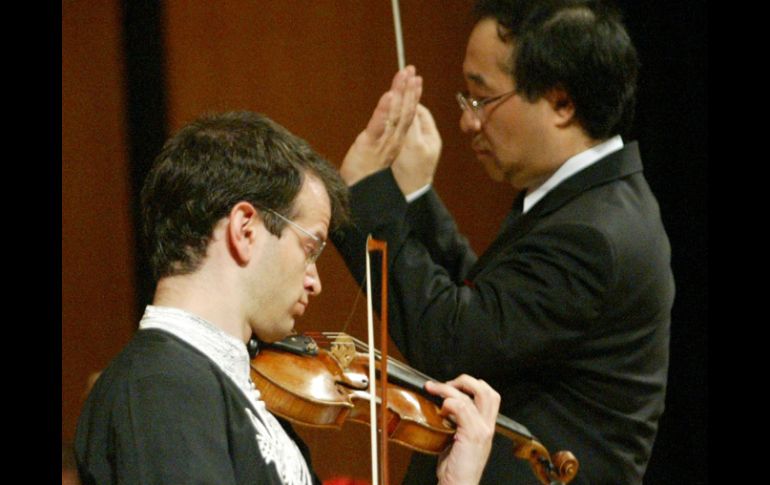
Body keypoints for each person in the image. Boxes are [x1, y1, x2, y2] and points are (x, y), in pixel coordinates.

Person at [333, 0, 675, 483]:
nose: (468, 123)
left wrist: (364, 194)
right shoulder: (590, 201)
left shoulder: (594, 235)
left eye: (482, 99)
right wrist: (416, 195)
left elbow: (452, 342)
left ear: (561, 103)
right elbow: (492, 311)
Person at [74, 111, 501, 485]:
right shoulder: (161, 387)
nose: (315, 282)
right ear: (245, 230)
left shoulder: (228, 383)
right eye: (310, 248)